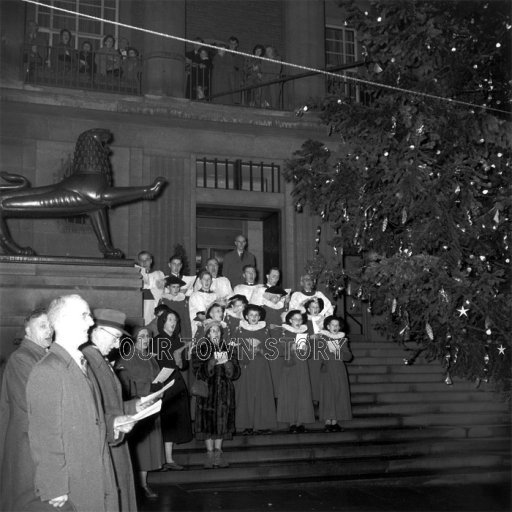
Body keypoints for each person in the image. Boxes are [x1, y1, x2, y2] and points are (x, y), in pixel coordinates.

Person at [26, 294, 119, 511]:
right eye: (84, 315)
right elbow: (44, 435)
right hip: (74, 483)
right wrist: (54, 486)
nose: (91, 322)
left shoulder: (79, 363)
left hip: (98, 471)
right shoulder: (46, 370)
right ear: (64, 321)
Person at [82, 308, 139, 510]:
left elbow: (110, 402)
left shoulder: (99, 360)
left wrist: (135, 405)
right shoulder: (89, 361)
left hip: (115, 437)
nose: (117, 344)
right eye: (115, 338)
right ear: (96, 331)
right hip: (107, 441)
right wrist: (116, 421)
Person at [0, 308, 53, 511]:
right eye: (42, 326)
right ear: (27, 331)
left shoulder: (41, 355)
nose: (49, 331)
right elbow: (31, 402)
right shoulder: (22, 358)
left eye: (50, 325)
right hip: (26, 443)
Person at [115, 326, 165, 499]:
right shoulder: (127, 358)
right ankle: (139, 485)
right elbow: (125, 384)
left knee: (149, 446)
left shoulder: (150, 357)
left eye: (148, 336)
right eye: (142, 336)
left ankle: (144, 483)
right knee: (141, 447)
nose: (146, 339)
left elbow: (157, 378)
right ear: (135, 338)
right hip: (138, 406)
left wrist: (160, 388)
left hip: (152, 405)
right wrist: (148, 387)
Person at [192, 320, 240, 468]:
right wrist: (212, 362)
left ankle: (218, 454)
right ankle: (209, 454)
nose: (216, 333)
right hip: (207, 392)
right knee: (207, 423)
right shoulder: (200, 349)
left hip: (224, 392)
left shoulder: (229, 348)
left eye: (218, 331)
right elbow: (197, 372)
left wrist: (227, 363)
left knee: (222, 422)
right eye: (213, 331)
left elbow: (236, 373)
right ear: (207, 333)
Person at [154, 309, 193, 470]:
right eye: (170, 319)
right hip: (163, 384)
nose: (173, 323)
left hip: (176, 384)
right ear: (163, 322)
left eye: (175, 320)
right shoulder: (156, 341)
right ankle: (165, 460)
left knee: (174, 421)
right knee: (167, 422)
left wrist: (182, 361)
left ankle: (169, 459)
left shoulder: (177, 340)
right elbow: (155, 363)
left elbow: (184, 365)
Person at [232, 304, 276, 435]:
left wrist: (260, 350)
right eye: (251, 315)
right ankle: (246, 424)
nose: (254, 317)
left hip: (260, 365)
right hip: (246, 365)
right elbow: (234, 348)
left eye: (256, 315)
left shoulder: (264, 330)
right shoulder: (239, 330)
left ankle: (262, 424)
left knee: (261, 393)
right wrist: (245, 351)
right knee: (246, 393)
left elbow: (270, 350)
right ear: (246, 316)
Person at [277, 310, 315, 433]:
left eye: (300, 319)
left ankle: (300, 422)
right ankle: (292, 422)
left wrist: (305, 349)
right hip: (290, 367)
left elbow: (308, 354)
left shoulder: (304, 333)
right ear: (290, 320)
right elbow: (278, 352)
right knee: (291, 393)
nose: (298, 321)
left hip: (302, 366)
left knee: (302, 393)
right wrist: (290, 348)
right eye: (295, 319)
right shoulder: (284, 332)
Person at [317, 316, 353, 432]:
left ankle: (335, 422)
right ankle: (328, 421)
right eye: (333, 325)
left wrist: (338, 352)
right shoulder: (321, 338)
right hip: (326, 369)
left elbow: (348, 357)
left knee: (338, 394)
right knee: (328, 395)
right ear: (328, 326)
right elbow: (317, 355)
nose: (335, 327)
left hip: (339, 370)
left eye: (337, 325)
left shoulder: (342, 339)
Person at [305, 297, 325, 406]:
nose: (315, 309)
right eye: (313, 307)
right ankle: (309, 398)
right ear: (308, 309)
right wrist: (309, 337)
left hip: (320, 348)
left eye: (317, 307)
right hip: (309, 349)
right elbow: (299, 336)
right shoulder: (304, 321)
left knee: (318, 374)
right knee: (309, 374)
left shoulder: (323, 320)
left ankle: (317, 397)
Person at [159, 275, 192, 342]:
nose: (176, 289)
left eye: (178, 287)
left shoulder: (183, 300)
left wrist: (189, 338)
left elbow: (186, 319)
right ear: (168, 287)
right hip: (167, 331)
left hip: (182, 330)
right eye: (173, 287)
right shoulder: (163, 300)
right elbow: (159, 320)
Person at [136, 250, 165, 325]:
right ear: (138, 262)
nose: (144, 262)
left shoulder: (158, 274)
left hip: (153, 304)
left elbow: (160, 290)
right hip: (139, 304)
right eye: (141, 260)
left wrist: (148, 287)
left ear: (151, 261)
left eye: (147, 259)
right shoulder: (135, 275)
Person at [189, 270, 220, 337]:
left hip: (214, 323)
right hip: (200, 324)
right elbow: (202, 315)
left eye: (209, 279)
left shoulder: (215, 295)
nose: (207, 281)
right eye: (204, 279)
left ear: (211, 281)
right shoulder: (196, 295)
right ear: (200, 281)